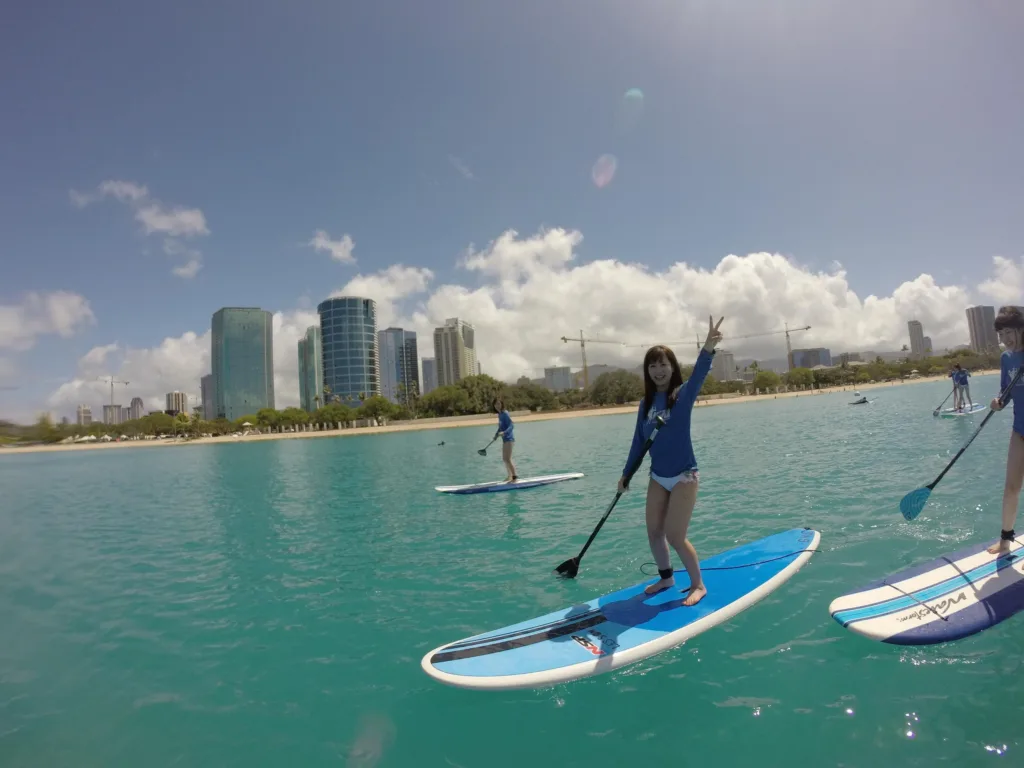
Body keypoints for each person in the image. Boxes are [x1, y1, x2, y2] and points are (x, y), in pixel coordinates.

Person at [619, 315, 724, 605]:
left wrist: (708, 348)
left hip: (684, 476)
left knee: (676, 535)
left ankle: (698, 585)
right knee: (654, 532)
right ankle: (666, 577)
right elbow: (638, 443)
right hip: (657, 476)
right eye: (652, 365)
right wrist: (626, 474)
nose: (658, 370)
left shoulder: (682, 395)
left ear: (672, 367)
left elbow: (701, 373)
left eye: (663, 364)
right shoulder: (645, 404)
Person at [988, 306, 1024, 556]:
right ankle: (1005, 542)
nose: (1005, 339)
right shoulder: (1006, 359)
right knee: (1011, 487)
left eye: (1009, 332)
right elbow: (1006, 392)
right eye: (1001, 334)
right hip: (1019, 430)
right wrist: (998, 402)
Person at [493, 397, 517, 483]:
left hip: (509, 438)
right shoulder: (499, 415)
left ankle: (514, 478)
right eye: (496, 404)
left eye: (499, 404)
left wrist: (504, 432)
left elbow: (511, 425)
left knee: (508, 459)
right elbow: (501, 427)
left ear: (502, 404)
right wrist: (496, 435)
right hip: (505, 439)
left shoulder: (505, 413)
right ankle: (509, 476)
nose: (497, 406)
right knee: (504, 459)